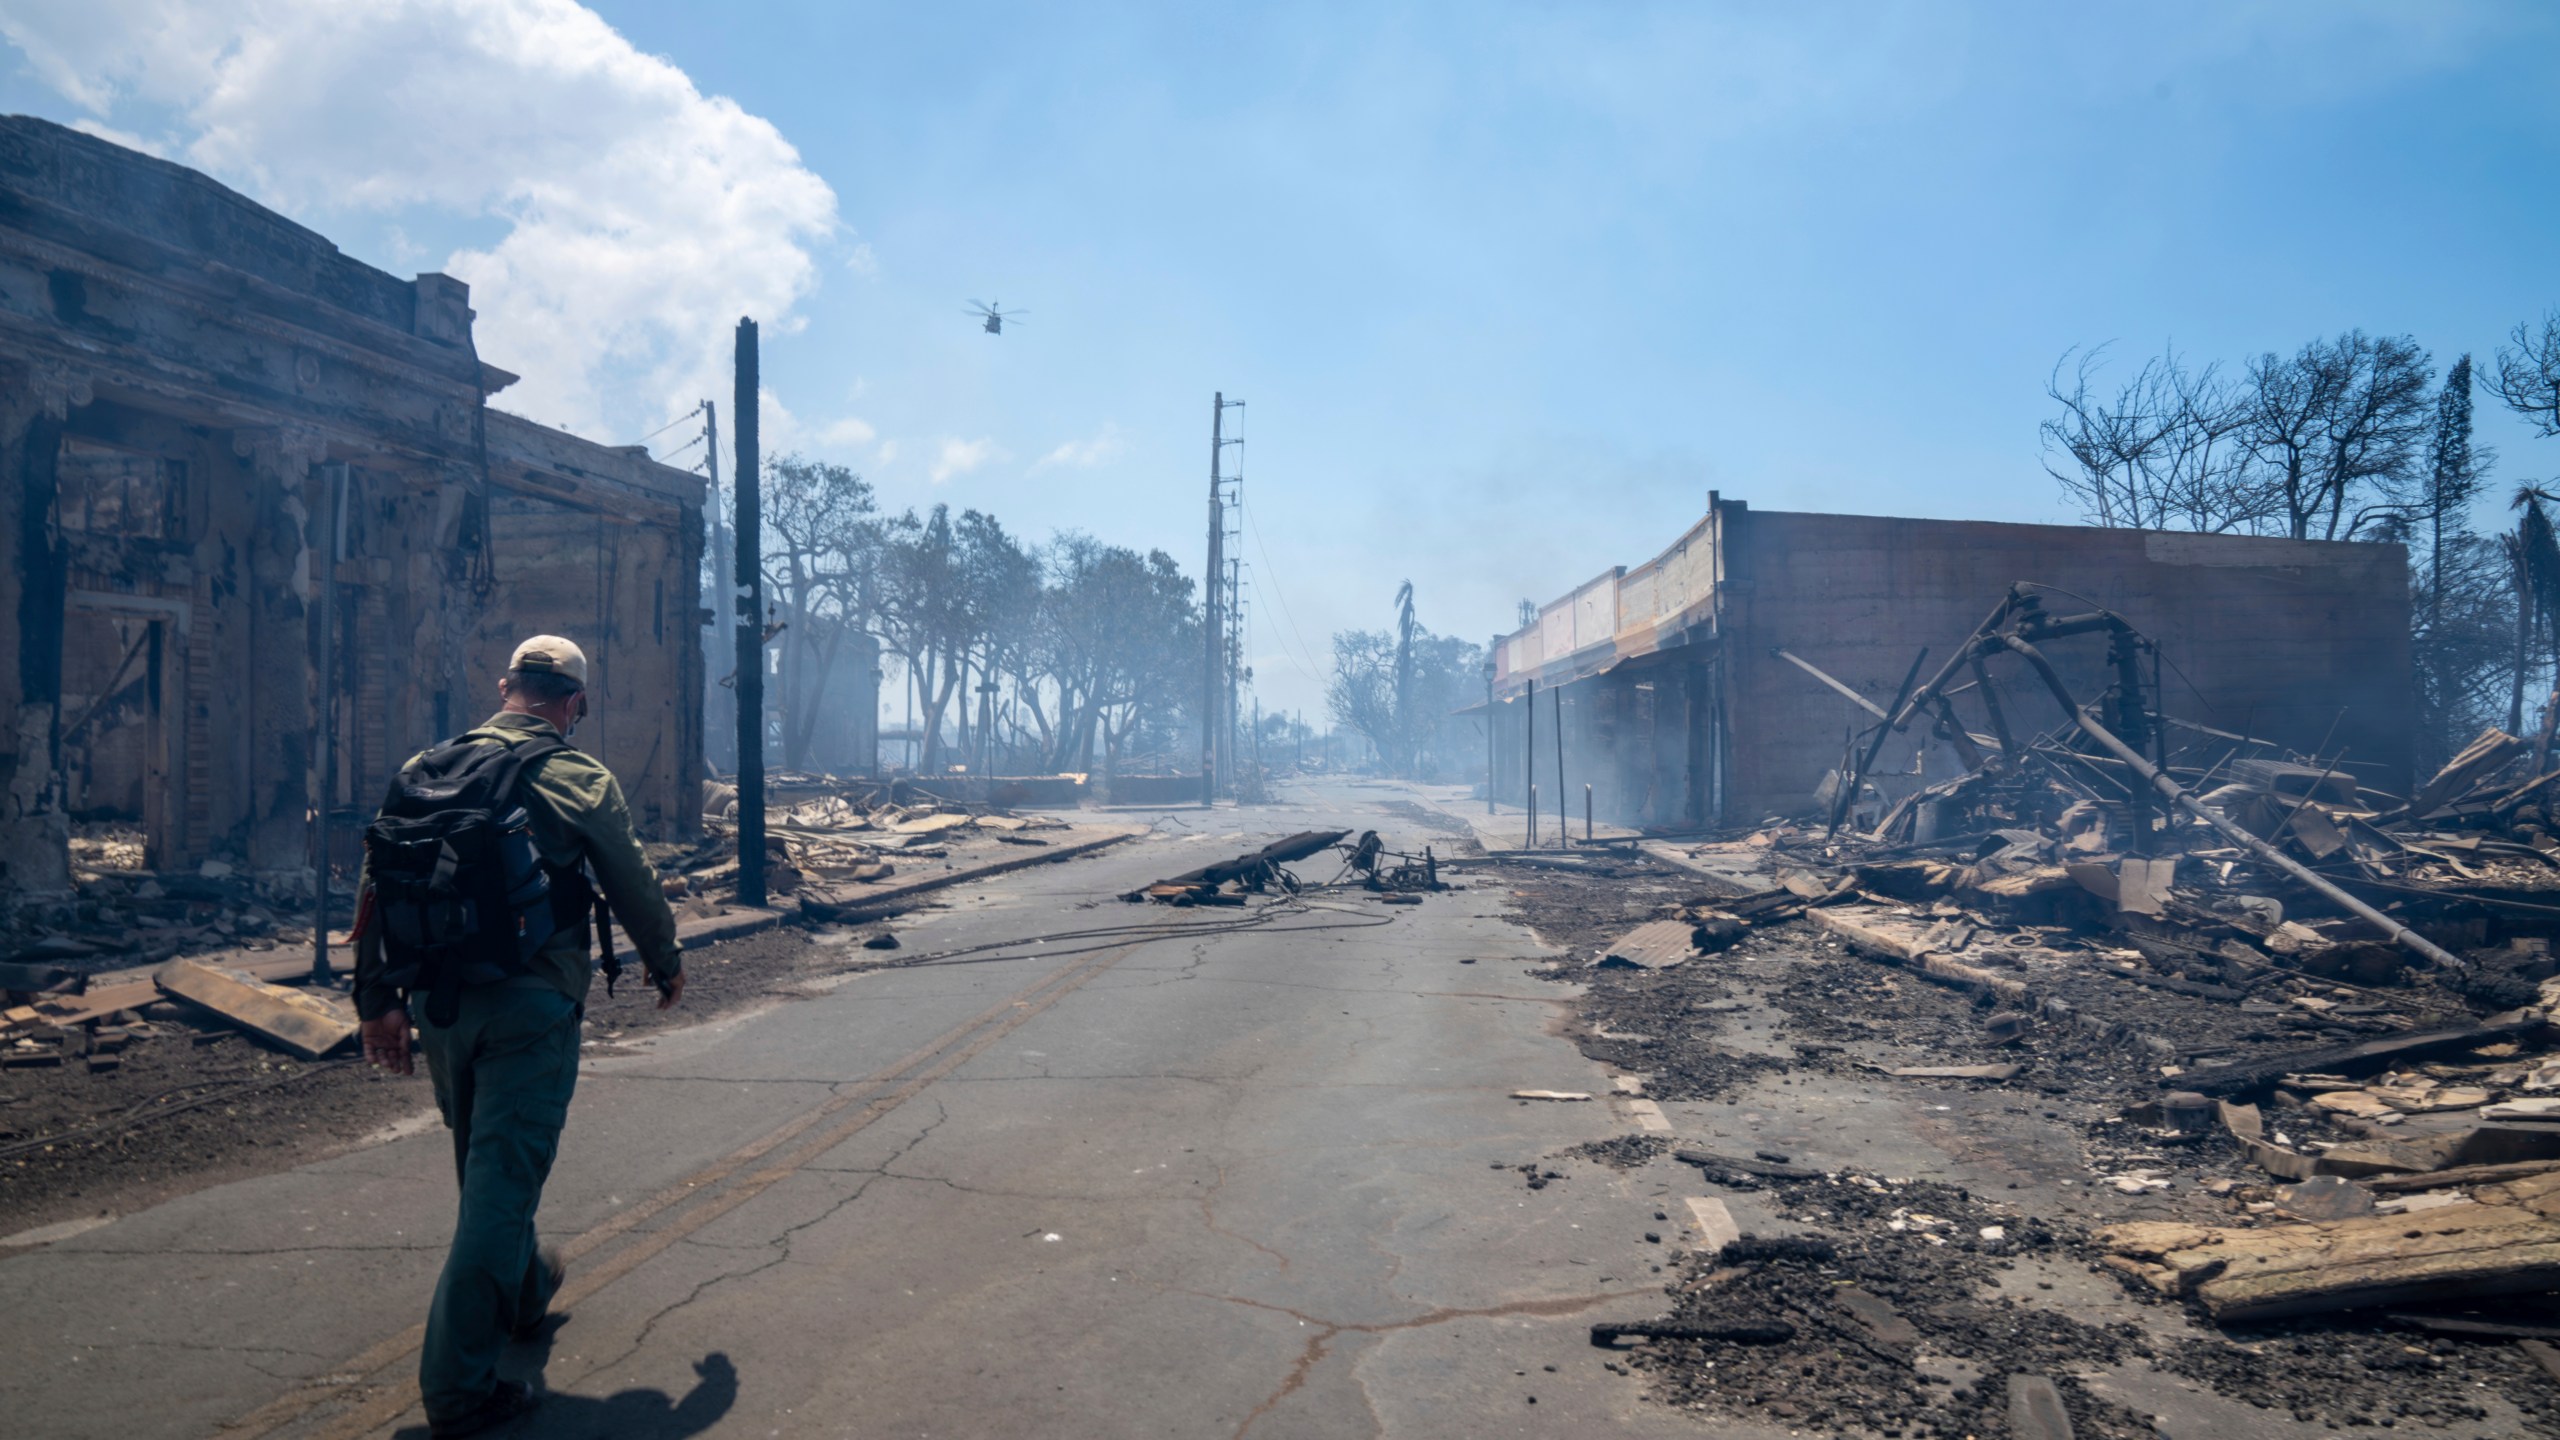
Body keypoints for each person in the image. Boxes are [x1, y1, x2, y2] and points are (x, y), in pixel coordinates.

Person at [353, 635, 685, 1437]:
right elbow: (630, 879)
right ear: (573, 704)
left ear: (506, 687)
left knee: (487, 1166)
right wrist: (664, 960)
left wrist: (376, 1002)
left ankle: (528, 1289)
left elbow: (377, 881)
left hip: (439, 1008)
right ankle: (459, 1390)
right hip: (530, 1008)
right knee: (501, 1182)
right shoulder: (576, 774)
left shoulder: (426, 768)